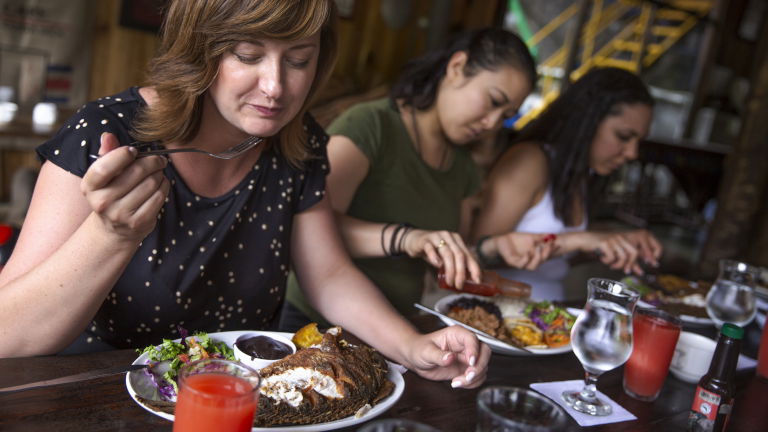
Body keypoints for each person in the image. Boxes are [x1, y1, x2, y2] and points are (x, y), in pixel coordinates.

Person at [0, 0, 489, 389]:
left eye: (298, 60)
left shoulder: (299, 145)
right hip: (89, 396)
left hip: (235, 396)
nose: (276, 87)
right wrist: (110, 235)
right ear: (200, 49)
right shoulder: (107, 131)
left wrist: (411, 346)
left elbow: (329, 275)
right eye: (248, 56)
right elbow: (9, 335)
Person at [283, 27, 553, 329]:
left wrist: (496, 247)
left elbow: (443, 256)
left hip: (394, 329)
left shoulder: (463, 166)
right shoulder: (371, 125)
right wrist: (407, 238)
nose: (492, 123)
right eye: (493, 101)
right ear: (457, 67)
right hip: (313, 322)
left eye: (505, 115)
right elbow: (306, 229)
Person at [471, 67, 663, 300]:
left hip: (545, 313)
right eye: (623, 136)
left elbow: (557, 263)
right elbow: (477, 255)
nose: (632, 153)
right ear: (587, 122)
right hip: (499, 312)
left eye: (638, 141)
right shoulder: (530, 161)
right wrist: (580, 240)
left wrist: (612, 243)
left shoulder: (579, 174)